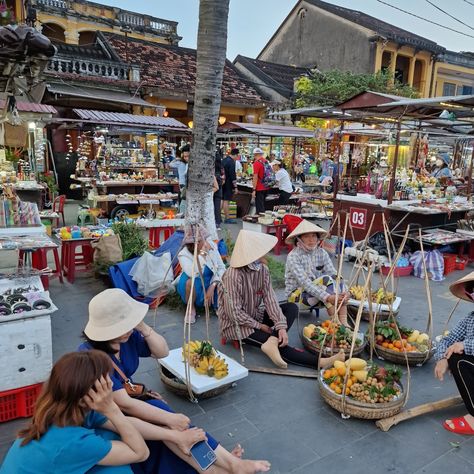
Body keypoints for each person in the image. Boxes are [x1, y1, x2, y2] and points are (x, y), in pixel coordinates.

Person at [80, 288, 271, 474]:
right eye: (122, 326)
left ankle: (219, 463)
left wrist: (143, 327)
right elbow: (124, 404)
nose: (128, 329)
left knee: (171, 422)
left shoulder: (127, 336)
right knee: (170, 421)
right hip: (105, 410)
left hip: (129, 399)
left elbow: (161, 351)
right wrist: (171, 418)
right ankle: (224, 465)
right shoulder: (90, 357)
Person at [1, 350, 149, 473]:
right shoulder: (73, 442)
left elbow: (122, 425)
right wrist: (112, 409)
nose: (111, 383)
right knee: (119, 470)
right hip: (68, 449)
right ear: (89, 396)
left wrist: (168, 433)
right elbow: (140, 453)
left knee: (111, 433)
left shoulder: (58, 410)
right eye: (106, 380)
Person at [217, 229, 344, 370]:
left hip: (254, 314)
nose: (265, 253)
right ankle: (319, 362)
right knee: (279, 345)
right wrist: (259, 326)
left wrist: (281, 326)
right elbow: (233, 313)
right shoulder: (232, 276)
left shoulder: (262, 269)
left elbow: (270, 299)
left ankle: (272, 340)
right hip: (236, 324)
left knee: (291, 308)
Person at [285, 220, 349, 327]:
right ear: (299, 239)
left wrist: (345, 291)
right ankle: (336, 323)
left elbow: (333, 273)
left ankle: (344, 323)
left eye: (314, 236)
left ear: (318, 238)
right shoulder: (293, 256)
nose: (311, 240)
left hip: (317, 294)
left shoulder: (321, 252)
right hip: (296, 298)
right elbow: (305, 283)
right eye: (306, 237)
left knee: (336, 278)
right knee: (326, 280)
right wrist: (328, 297)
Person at [434, 272, 474, 435]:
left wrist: (465, 345)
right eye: (471, 289)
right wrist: (443, 358)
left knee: (458, 358)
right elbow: (448, 340)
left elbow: (460, 345)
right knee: (452, 357)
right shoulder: (471, 318)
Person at [176, 225, 226, 324]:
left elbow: (221, 267)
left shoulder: (210, 246)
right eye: (203, 239)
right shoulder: (184, 254)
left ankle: (216, 304)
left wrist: (213, 285)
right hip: (194, 281)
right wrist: (202, 254)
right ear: (196, 243)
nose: (206, 241)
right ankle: (191, 307)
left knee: (225, 278)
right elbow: (194, 272)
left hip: (209, 280)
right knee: (190, 282)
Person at [170, 144, 190, 214]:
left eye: (188, 156)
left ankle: (181, 214)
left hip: (185, 184)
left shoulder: (181, 162)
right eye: (185, 156)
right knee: (183, 200)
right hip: (184, 184)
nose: (186, 158)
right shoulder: (182, 163)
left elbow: (170, 164)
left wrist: (175, 159)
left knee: (183, 201)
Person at [251, 148, 270, 214]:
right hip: (266, 186)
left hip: (259, 188)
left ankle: (261, 221)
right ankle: (264, 219)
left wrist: (254, 190)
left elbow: (255, 177)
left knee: (259, 207)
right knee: (263, 205)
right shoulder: (266, 161)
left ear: (255, 154)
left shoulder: (256, 163)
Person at [222, 148, 238, 223]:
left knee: (221, 200)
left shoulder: (224, 160)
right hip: (228, 183)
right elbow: (233, 175)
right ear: (235, 155)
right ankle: (227, 218)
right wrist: (235, 187)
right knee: (226, 201)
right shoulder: (231, 162)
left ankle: (217, 216)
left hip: (222, 182)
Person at [213, 151, 224, 229]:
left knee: (210, 206)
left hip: (211, 187)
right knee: (217, 206)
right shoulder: (221, 167)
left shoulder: (210, 167)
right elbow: (223, 179)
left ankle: (212, 222)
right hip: (219, 188)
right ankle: (218, 222)